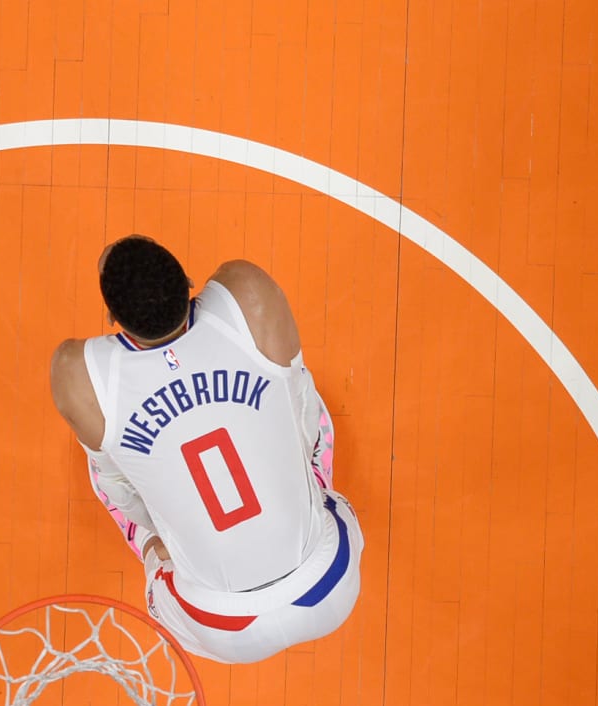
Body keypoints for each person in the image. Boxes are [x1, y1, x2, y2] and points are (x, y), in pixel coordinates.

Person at [49, 235, 363, 664]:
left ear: (111, 316)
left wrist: (157, 535)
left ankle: (149, 545)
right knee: (295, 394)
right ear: (189, 281)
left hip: (222, 627)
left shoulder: (76, 374)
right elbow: (302, 407)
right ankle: (313, 485)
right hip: (328, 581)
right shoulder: (248, 293)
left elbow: (120, 488)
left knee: (108, 463)